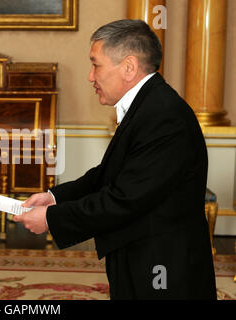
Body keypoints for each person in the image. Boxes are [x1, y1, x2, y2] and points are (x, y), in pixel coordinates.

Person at [14, 19, 217, 300]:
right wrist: (54, 197)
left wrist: (52, 218)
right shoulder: (148, 105)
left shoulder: (164, 116)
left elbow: (125, 198)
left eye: (96, 64)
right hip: (142, 251)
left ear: (129, 67)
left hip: (163, 266)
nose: (90, 76)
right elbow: (107, 174)